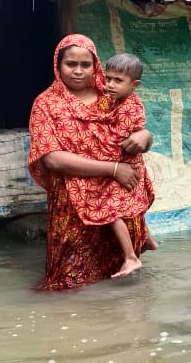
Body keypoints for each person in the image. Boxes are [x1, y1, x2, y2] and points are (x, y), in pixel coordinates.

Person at [27, 34, 154, 290]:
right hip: (72, 206)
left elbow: (136, 127)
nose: (78, 71)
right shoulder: (45, 105)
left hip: (119, 194)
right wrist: (113, 169)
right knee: (68, 282)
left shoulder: (111, 93)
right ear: (57, 65)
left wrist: (145, 136)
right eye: (70, 64)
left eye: (85, 64)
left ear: (95, 64)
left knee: (123, 282)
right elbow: (52, 158)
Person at [91, 53, 159, 277]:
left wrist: (93, 147)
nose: (110, 85)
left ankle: (130, 257)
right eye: (108, 78)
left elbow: (117, 141)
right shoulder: (120, 100)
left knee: (110, 210)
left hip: (124, 166)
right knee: (133, 204)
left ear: (134, 85)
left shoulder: (129, 108)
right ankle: (147, 240)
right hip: (128, 165)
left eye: (117, 81)